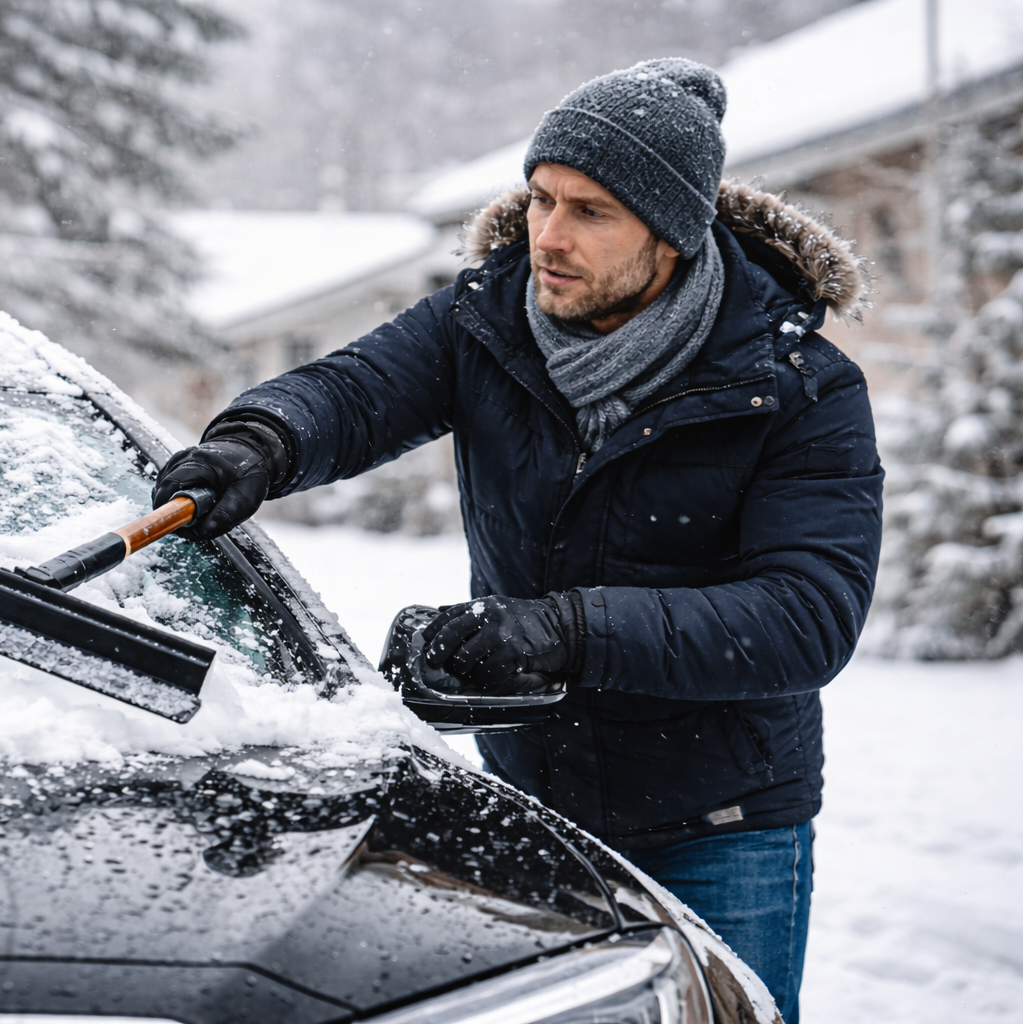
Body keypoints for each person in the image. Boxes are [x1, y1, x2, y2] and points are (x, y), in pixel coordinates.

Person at [153, 58, 882, 1021]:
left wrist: (564, 633)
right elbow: (354, 391)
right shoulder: (487, 321)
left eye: (590, 211)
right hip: (532, 798)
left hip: (722, 822)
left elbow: (805, 617)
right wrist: (260, 440)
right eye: (540, 200)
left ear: (671, 233)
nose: (548, 236)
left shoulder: (798, 387)